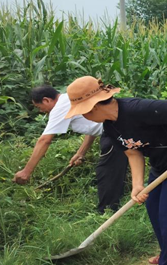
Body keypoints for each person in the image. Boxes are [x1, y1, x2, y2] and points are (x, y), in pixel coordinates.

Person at [64, 76, 167, 265]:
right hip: (159, 164)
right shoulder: (110, 127)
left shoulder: (134, 108)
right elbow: (133, 153)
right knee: (153, 206)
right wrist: (137, 185)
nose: (85, 118)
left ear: (94, 107)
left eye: (83, 113)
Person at [12, 85, 128, 213]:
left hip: (115, 131)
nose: (41, 111)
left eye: (39, 107)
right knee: (113, 169)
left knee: (107, 172)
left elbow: (45, 140)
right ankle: (115, 207)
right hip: (114, 129)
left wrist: (26, 172)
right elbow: (94, 125)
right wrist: (80, 153)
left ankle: (107, 213)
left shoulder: (60, 107)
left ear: (46, 100)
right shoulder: (68, 100)